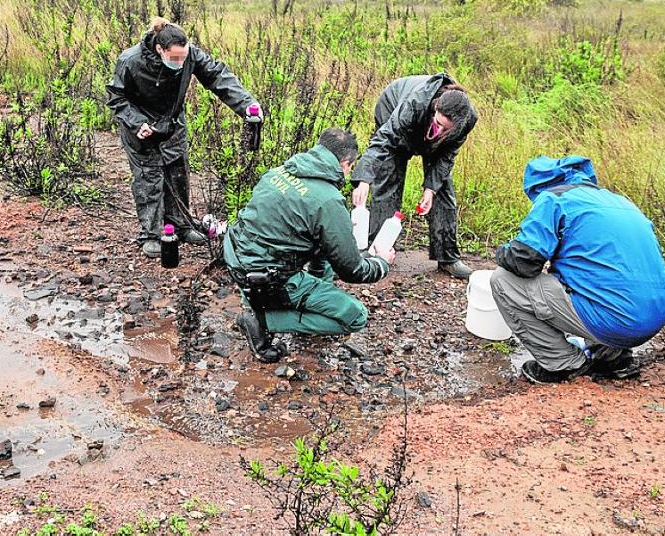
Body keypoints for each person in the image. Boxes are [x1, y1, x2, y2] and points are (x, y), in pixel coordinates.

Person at [491, 155, 665, 385]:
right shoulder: (622, 202)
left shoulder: (554, 198)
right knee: (590, 278)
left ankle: (563, 363)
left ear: (539, 186)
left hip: (614, 320)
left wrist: (502, 252)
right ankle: (615, 359)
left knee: (503, 280)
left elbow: (523, 261)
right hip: (655, 317)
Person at [224, 128, 396, 361]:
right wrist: (381, 263)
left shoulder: (279, 172)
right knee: (356, 317)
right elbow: (352, 270)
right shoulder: (328, 200)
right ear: (345, 164)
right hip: (269, 280)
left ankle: (288, 302)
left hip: (238, 262)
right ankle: (262, 321)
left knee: (319, 242)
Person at [107, 18, 259, 257]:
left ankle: (181, 224)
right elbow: (117, 98)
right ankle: (152, 234)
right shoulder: (130, 60)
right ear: (160, 49)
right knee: (149, 179)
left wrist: (247, 104)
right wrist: (137, 123)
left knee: (178, 174)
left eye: (184, 56)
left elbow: (217, 76)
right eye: (175, 58)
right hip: (140, 128)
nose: (181, 62)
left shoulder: (190, 54)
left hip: (173, 125)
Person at [351, 73, 478, 278]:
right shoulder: (416, 103)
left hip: (432, 135)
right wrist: (364, 178)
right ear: (436, 107)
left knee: (443, 189)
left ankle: (447, 257)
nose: (438, 130)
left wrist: (430, 189)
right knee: (389, 179)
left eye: (445, 129)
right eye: (438, 123)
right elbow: (385, 139)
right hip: (393, 107)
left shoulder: (467, 119)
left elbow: (446, 157)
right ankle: (377, 251)